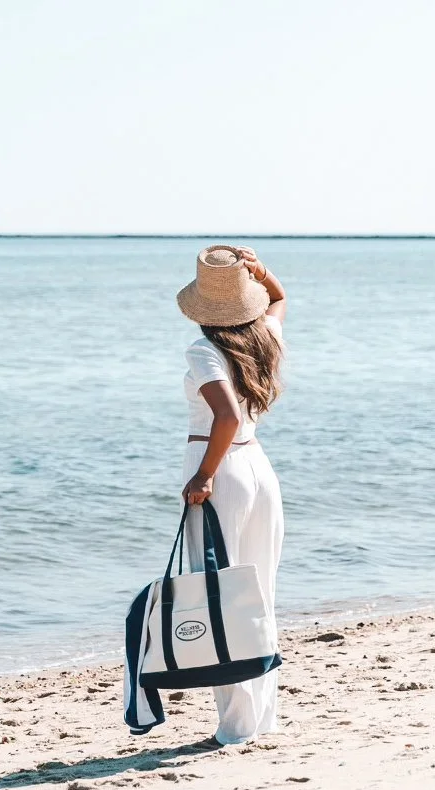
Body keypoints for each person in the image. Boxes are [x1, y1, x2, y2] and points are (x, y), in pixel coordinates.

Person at [176, 244, 286, 746]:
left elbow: (225, 418)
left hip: (225, 472)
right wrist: (262, 272)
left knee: (224, 595)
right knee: (258, 589)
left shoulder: (204, 351)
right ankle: (260, 717)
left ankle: (236, 727)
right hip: (260, 468)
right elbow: (280, 300)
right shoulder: (260, 338)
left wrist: (203, 476)